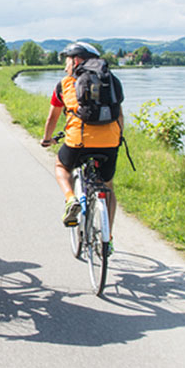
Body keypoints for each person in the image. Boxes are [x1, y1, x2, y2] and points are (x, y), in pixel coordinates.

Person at [40, 41, 123, 254]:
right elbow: (119, 115)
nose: (66, 66)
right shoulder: (111, 81)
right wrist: (117, 138)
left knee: (61, 165)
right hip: (110, 143)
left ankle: (71, 199)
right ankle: (108, 238)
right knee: (107, 185)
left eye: (67, 61)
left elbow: (53, 117)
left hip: (78, 141)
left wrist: (47, 138)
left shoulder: (65, 84)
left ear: (76, 60)